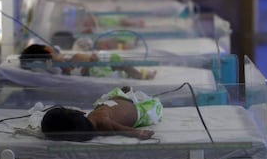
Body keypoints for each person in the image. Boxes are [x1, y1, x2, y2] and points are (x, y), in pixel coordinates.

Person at [40, 87, 163, 141]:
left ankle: (125, 95)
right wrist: (139, 133)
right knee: (105, 103)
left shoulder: (95, 118)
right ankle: (126, 95)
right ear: (78, 112)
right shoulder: (103, 123)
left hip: (121, 103)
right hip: (144, 110)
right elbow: (124, 130)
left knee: (103, 103)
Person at [19, 44, 157, 79]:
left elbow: (57, 50)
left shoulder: (56, 58)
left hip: (92, 64)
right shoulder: (52, 65)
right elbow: (58, 68)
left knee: (119, 63)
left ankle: (138, 74)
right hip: (90, 70)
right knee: (121, 67)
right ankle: (140, 75)